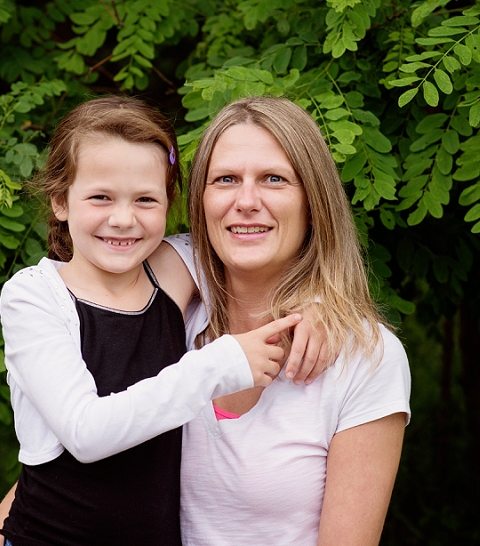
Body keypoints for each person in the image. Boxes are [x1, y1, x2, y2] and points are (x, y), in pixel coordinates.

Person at [0, 96, 321, 546]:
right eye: (100, 197)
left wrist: (316, 303)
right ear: (60, 202)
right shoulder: (34, 297)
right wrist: (219, 365)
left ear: (169, 204)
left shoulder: (172, 269)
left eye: (145, 199)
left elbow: (266, 262)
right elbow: (86, 434)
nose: (123, 219)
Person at [152, 96, 412, 545]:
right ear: (201, 201)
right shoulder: (171, 318)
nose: (246, 201)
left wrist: (325, 301)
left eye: (274, 179)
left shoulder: (366, 357)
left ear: (313, 201)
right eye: (226, 180)